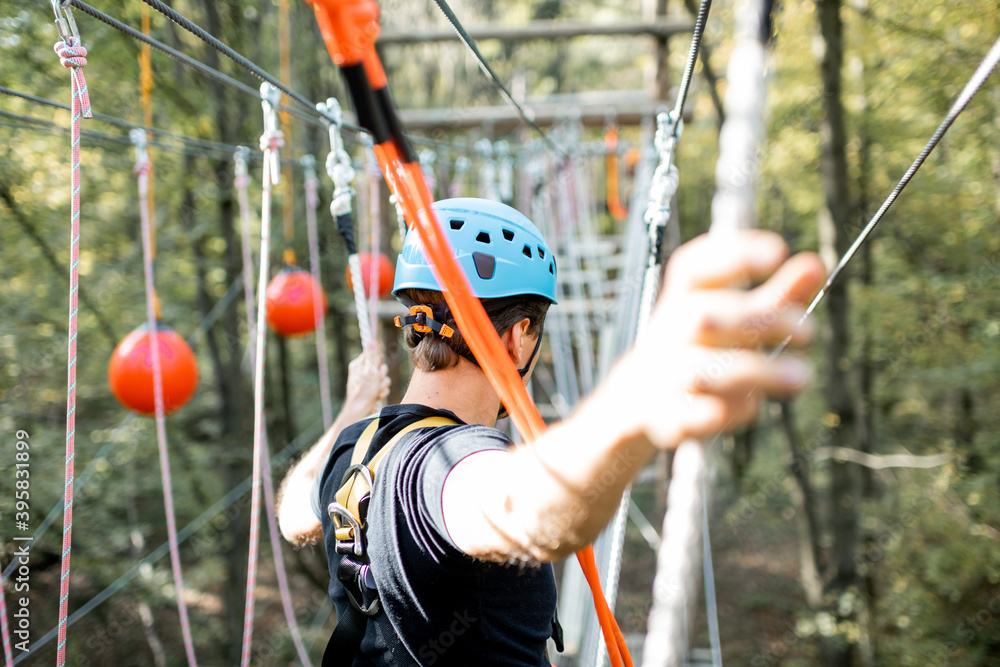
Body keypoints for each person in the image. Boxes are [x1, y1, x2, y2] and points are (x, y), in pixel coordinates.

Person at [277, 198, 825, 666]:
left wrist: (352, 411)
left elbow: (291, 512)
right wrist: (632, 403)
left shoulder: (356, 447)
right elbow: (523, 504)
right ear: (518, 338)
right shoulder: (448, 465)